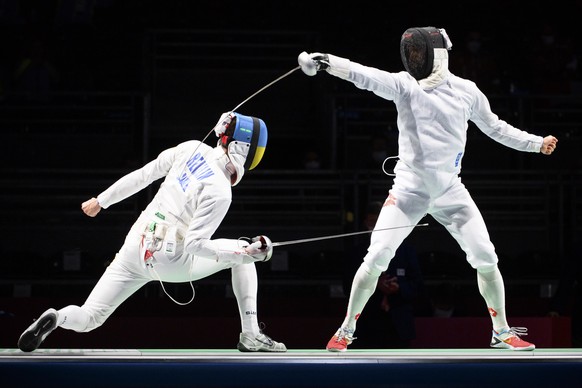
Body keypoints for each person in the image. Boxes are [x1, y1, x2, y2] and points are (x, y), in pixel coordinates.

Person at [298, 26, 558, 352]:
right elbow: (362, 74)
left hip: (451, 190)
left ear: (437, 54)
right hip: (409, 190)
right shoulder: (405, 86)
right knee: (377, 256)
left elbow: (495, 128)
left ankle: (501, 331)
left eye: (421, 53)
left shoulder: (467, 91)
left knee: (486, 257)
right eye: (413, 54)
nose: (416, 59)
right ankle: (346, 329)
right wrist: (327, 62)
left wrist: (535, 144)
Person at [17, 111, 287, 353]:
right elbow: (194, 245)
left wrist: (102, 200)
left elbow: (145, 174)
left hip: (135, 246)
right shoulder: (220, 191)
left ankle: (57, 316)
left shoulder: (191, 148)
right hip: (171, 261)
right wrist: (247, 251)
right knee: (243, 255)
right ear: (242, 149)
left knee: (90, 317)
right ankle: (251, 335)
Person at [345, 201, 424, 349]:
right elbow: (346, 287)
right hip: (368, 324)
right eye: (372, 222)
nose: (375, 226)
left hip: (399, 325)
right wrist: (374, 284)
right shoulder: (356, 253)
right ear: (365, 222)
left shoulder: (406, 251)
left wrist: (399, 287)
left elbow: (418, 285)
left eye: (378, 222)